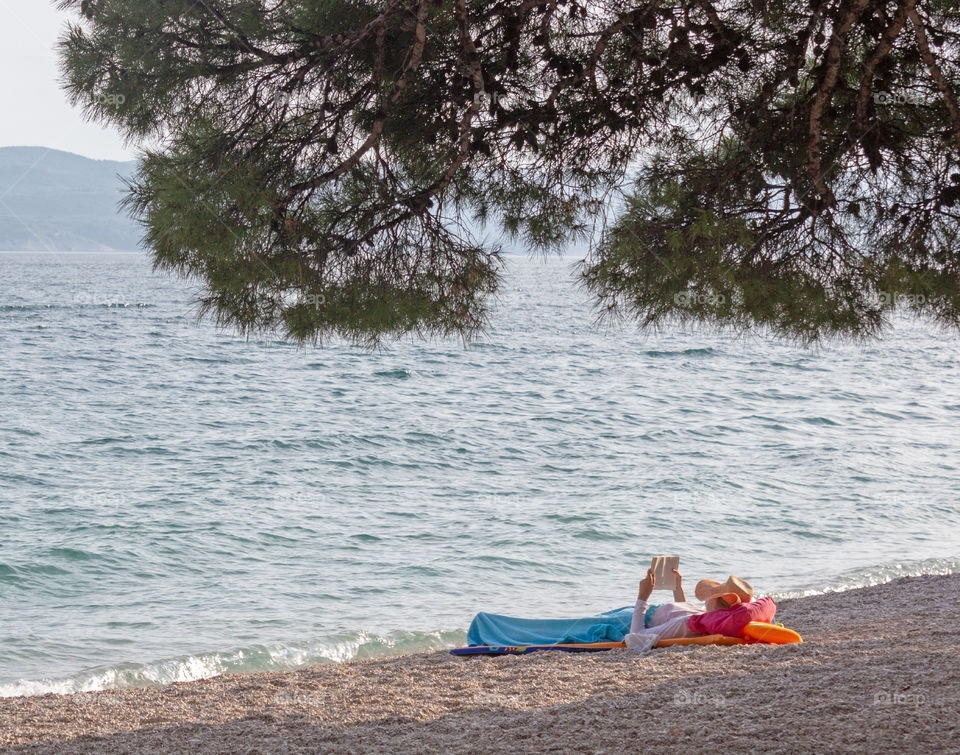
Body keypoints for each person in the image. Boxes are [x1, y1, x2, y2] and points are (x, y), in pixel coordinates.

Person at [624, 568, 754, 651]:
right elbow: (680, 613)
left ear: (716, 599)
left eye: (711, 595)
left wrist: (643, 596)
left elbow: (636, 636)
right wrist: (677, 588)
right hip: (641, 611)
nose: (707, 597)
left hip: (631, 618)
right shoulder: (706, 617)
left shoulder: (688, 623)